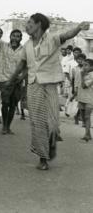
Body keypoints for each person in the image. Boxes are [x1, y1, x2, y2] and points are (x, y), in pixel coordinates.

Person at [9, 13, 90, 170]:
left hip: (50, 85)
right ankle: (43, 158)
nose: (27, 26)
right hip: (33, 85)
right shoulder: (26, 45)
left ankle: (51, 141)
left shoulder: (52, 39)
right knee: (38, 122)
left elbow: (67, 34)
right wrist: (13, 79)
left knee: (53, 124)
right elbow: (23, 65)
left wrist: (79, 28)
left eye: (30, 23)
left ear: (39, 24)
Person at [0, 21, 25, 134]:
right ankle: (4, 126)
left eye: (18, 36)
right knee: (5, 102)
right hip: (4, 79)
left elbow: (27, 66)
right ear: (10, 36)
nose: (15, 38)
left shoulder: (24, 50)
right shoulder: (3, 45)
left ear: (21, 38)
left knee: (12, 104)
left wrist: (22, 77)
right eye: (13, 35)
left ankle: (8, 126)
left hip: (17, 81)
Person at [73, 57, 93, 142]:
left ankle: (87, 134)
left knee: (87, 116)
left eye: (86, 65)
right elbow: (77, 83)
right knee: (83, 117)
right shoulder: (81, 72)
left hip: (89, 98)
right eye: (83, 65)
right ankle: (88, 133)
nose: (84, 67)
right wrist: (75, 93)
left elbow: (84, 86)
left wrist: (82, 76)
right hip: (81, 97)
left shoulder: (91, 75)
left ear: (92, 67)